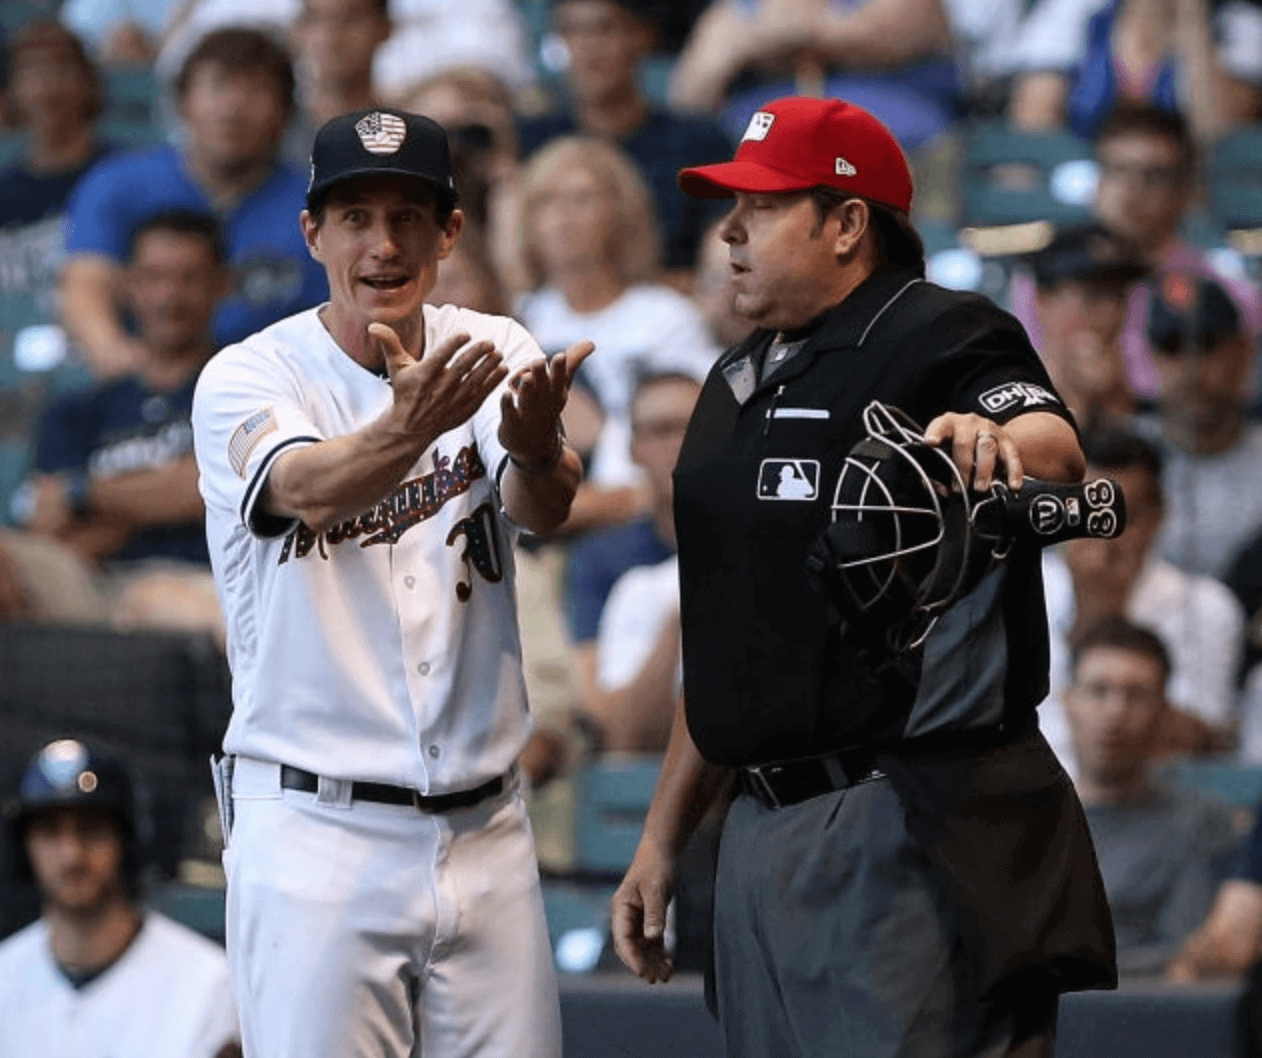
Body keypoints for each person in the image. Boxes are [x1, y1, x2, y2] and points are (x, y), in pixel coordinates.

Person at [611, 95, 1113, 1057]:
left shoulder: (938, 331)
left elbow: (1055, 452)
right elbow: (726, 637)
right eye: (730, 204)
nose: (729, 229)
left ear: (847, 224)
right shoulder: (732, 381)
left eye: (762, 205)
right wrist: (661, 841)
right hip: (754, 834)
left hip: (901, 817)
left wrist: (989, 436)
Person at [191, 106, 594, 1056]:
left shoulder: (489, 342)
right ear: (313, 231)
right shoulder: (249, 376)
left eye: (410, 216)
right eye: (357, 216)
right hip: (316, 830)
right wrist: (409, 430)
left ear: (450, 230)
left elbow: (543, 508)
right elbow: (306, 489)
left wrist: (539, 453)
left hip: (488, 826)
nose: (384, 244)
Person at [0, 210, 230, 641]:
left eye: (189, 278)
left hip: (199, 583)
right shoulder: (77, 411)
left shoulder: (242, 386)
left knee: (160, 601)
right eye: (153, 278)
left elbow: (212, 485)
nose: (169, 297)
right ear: (127, 286)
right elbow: (47, 526)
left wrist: (82, 494)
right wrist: (154, 503)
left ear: (221, 286)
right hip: (89, 583)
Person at [60, 28, 328, 379]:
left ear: (285, 114)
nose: (233, 106)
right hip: (142, 391)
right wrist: (136, 372)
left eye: (255, 90)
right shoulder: (118, 183)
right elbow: (84, 290)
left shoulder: (317, 205)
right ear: (183, 103)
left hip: (279, 393)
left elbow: (334, 328)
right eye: (217, 86)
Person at [517, 136, 720, 529]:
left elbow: (692, 434)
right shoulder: (519, 319)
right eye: (546, 201)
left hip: (650, 516)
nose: (563, 216)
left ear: (621, 213)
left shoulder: (666, 318)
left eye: (582, 199)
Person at [0, 738, 239, 1058]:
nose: (71, 854)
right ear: (24, 846)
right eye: (50, 831)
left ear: (125, 841)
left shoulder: (208, 985)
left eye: (90, 828)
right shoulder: (5, 976)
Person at [1011, 105, 1262, 404]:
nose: (1130, 190)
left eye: (1152, 176)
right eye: (1117, 170)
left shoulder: (1225, 292)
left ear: (1185, 192)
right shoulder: (1046, 279)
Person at [1038, 426, 1244, 776]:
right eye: (1086, 515)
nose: (1103, 534)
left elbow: (1200, 740)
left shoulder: (1207, 606)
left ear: (1158, 516)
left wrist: (1105, 612)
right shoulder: (1018, 588)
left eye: (1123, 517)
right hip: (1033, 800)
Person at [1063, 618, 1242, 976]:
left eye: (1137, 695)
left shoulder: (1202, 822)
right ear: (1068, 702)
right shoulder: (1023, 828)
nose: (1115, 712)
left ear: (1163, 712)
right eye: (1099, 690)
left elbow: (1190, 957)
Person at [517, 0, 733, 276]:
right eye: (571, 31)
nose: (587, 47)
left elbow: (722, 261)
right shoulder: (533, 141)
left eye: (605, 29)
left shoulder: (698, 142)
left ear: (642, 36)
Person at [576, 372, 701, 751]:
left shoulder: (760, 542)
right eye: (663, 431)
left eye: (696, 427)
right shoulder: (604, 560)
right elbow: (604, 717)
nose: (682, 444)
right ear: (633, 449)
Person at [669, 0, 960, 154]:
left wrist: (812, 30)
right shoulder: (739, 8)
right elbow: (686, 99)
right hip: (760, 164)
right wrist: (748, 39)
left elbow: (892, 31)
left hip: (898, 158)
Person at [1136, 272, 1262, 580]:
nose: (1190, 368)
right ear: (1152, 358)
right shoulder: (1122, 453)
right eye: (1171, 347)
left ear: (1243, 352)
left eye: (1206, 346)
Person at [1008, 0, 1262, 143]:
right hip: (1087, 187)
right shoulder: (1076, 12)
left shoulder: (1240, 25)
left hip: (1193, 196)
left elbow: (1218, 136)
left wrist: (1193, 24)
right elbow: (1032, 127)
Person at [0, 21, 111, 321]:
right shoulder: (5, 190)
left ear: (89, 82)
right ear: (12, 91)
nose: (45, 84)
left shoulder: (124, 176)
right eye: (31, 71)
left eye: (61, 67)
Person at [1025, 223, 1148, 427]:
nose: (1111, 314)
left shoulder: (1147, 414)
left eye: (1119, 297)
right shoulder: (1006, 403)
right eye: (1093, 297)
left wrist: (1116, 405)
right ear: (1044, 300)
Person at [288, 0, 391, 160]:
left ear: (385, 28)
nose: (328, 37)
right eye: (313, 19)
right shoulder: (270, 140)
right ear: (297, 32)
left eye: (349, 20)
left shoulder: (414, 143)